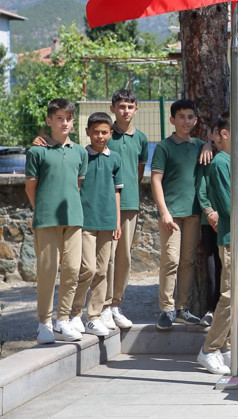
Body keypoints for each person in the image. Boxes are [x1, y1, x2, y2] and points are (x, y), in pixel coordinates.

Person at [196, 112, 238, 375]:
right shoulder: (220, 164)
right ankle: (209, 349)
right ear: (224, 134)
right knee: (230, 294)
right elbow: (229, 204)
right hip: (233, 238)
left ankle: (228, 345)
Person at [26, 98, 89, 344]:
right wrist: (42, 210)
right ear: (49, 121)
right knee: (48, 271)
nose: (64, 123)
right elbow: (30, 188)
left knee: (73, 269)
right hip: (46, 219)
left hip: (73, 218)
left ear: (73, 123)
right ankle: (44, 323)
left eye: (69, 118)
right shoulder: (37, 151)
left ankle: (63, 320)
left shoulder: (81, 152)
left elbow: (76, 185)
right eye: (59, 118)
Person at [151, 99, 207, 329]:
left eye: (190, 117)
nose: (186, 121)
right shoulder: (164, 147)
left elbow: (212, 144)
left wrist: (208, 146)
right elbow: (155, 179)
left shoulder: (199, 145)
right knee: (171, 260)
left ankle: (183, 307)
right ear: (172, 120)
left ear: (196, 120)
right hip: (171, 215)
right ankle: (166, 308)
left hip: (193, 213)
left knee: (188, 261)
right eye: (181, 117)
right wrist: (164, 212)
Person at [70, 113, 123, 337]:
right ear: (87, 132)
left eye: (104, 132)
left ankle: (94, 316)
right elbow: (76, 186)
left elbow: (117, 192)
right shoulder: (82, 155)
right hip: (85, 222)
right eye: (95, 132)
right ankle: (74, 313)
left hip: (108, 222)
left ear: (111, 133)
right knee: (88, 268)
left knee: (102, 271)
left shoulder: (115, 158)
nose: (100, 136)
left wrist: (118, 221)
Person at [103, 89, 148, 330]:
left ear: (136, 110)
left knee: (124, 257)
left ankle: (115, 305)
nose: (125, 111)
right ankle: (102, 305)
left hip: (130, 203)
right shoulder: (104, 136)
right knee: (106, 257)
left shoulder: (141, 139)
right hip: (104, 205)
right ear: (113, 109)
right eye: (121, 106)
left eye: (130, 107)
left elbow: (138, 173)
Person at [195, 132, 221, 327]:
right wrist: (210, 213)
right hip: (210, 222)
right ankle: (212, 309)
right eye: (217, 135)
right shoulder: (207, 159)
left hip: (234, 224)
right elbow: (201, 190)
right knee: (213, 269)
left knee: (232, 269)